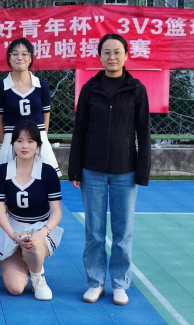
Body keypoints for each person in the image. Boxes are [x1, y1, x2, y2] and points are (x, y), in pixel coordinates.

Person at [68, 33, 151, 306]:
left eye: (117, 52)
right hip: (91, 170)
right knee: (94, 231)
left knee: (123, 231)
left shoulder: (136, 89)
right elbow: (79, 131)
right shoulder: (90, 89)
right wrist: (74, 169)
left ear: (126, 55)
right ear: (99, 56)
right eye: (106, 52)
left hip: (125, 171)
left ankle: (119, 284)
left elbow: (143, 133)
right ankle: (95, 282)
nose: (112, 57)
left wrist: (142, 171)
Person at [0, 120, 63, 301]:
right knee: (15, 288)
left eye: (30, 141)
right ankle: (25, 259)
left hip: (39, 228)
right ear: (13, 143)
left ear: (38, 144)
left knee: (33, 246)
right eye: (20, 141)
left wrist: (41, 233)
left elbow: (56, 212)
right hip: (13, 228)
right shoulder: (2, 171)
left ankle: (37, 276)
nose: (25, 146)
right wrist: (12, 234)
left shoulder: (48, 172)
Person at [0, 38, 61, 177]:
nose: (20, 57)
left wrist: (38, 140)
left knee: (42, 181)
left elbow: (45, 118)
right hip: (12, 142)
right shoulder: (2, 87)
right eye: (15, 54)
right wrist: (9, 143)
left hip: (37, 141)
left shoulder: (41, 85)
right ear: (9, 58)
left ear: (30, 58)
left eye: (24, 54)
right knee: (11, 182)